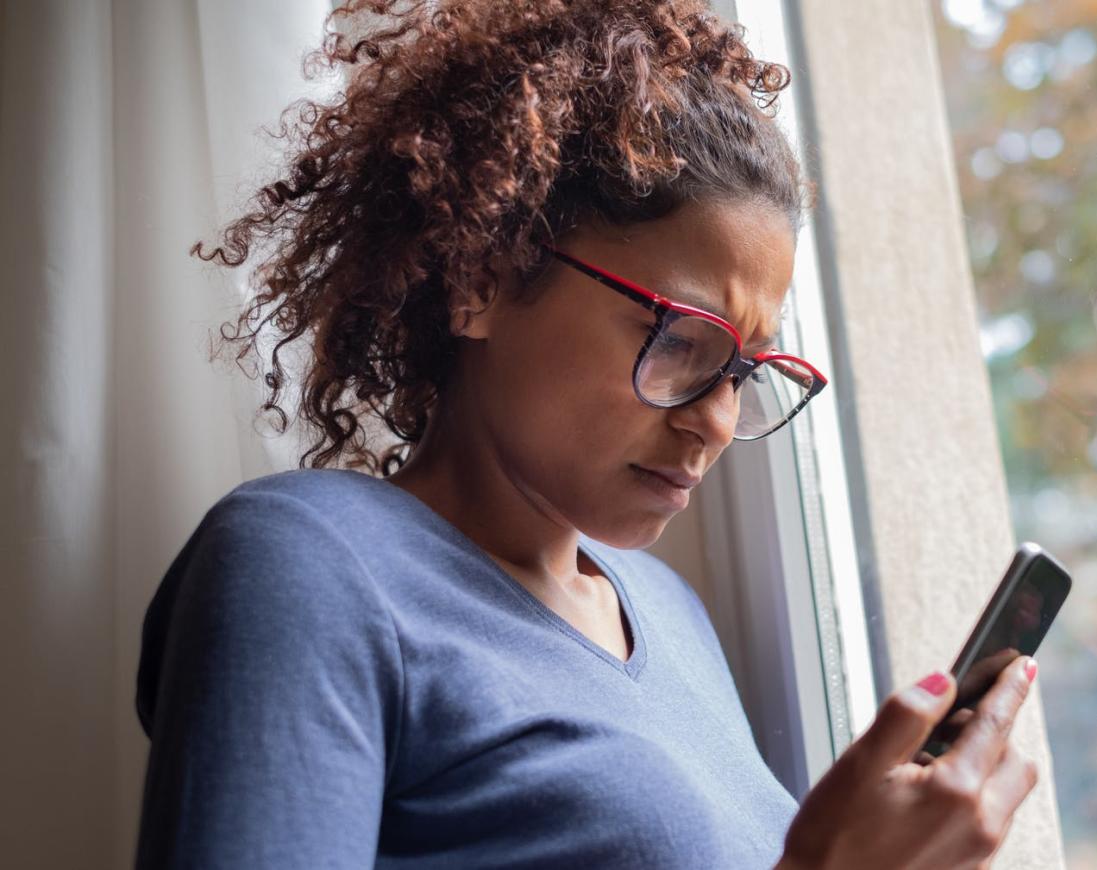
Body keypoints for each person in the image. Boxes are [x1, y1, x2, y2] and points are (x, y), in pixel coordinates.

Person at [133, 1, 1040, 867]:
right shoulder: (310, 563)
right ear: (480, 279)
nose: (716, 422)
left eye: (743, 373)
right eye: (682, 341)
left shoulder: (670, 620)